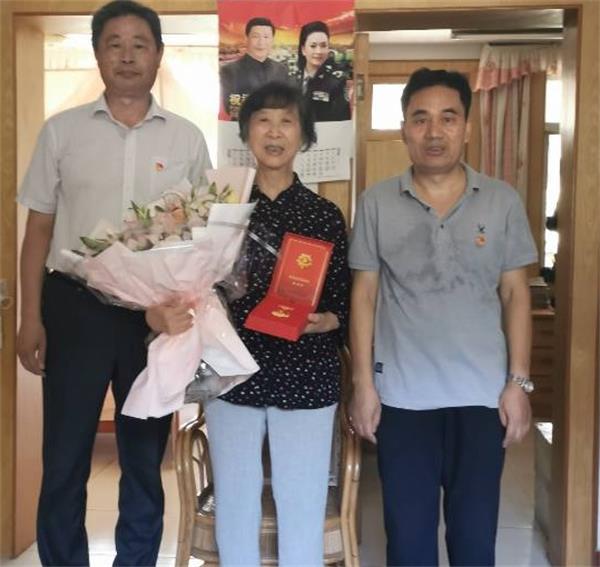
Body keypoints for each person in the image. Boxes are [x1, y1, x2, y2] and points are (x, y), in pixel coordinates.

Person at [16, 1, 212, 565]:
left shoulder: (186, 139)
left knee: (145, 457)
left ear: (158, 55)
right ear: (98, 54)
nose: (127, 56)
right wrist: (31, 317)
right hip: (74, 308)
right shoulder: (62, 132)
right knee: (65, 456)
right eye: (114, 44)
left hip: (153, 316)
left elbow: (202, 235)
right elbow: (38, 230)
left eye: (139, 44)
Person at [348, 68, 537, 566]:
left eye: (448, 118)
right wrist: (363, 384)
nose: (434, 132)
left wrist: (519, 383)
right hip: (402, 399)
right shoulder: (376, 203)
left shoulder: (501, 200)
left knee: (474, 541)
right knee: (408, 542)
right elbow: (363, 296)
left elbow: (516, 293)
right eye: (420, 119)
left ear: (467, 128)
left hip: (482, 397)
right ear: (404, 129)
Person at [156, 81, 350, 565]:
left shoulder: (324, 215)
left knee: (301, 505)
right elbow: (192, 286)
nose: (275, 132)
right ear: (246, 134)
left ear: (304, 136)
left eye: (287, 121)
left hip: (306, 374)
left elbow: (344, 303)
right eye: (263, 120)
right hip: (232, 373)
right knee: (236, 504)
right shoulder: (222, 211)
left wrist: (327, 320)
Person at [220, 17, 291, 120]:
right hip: (242, 126)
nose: (261, 42)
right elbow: (231, 108)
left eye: (266, 37)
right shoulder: (229, 70)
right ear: (247, 38)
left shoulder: (281, 70)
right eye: (256, 36)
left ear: (272, 40)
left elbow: (287, 103)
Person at [296, 21, 351, 122]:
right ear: (303, 50)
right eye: (313, 46)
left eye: (323, 46)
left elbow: (341, 120)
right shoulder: (290, 79)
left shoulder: (336, 82)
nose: (319, 51)